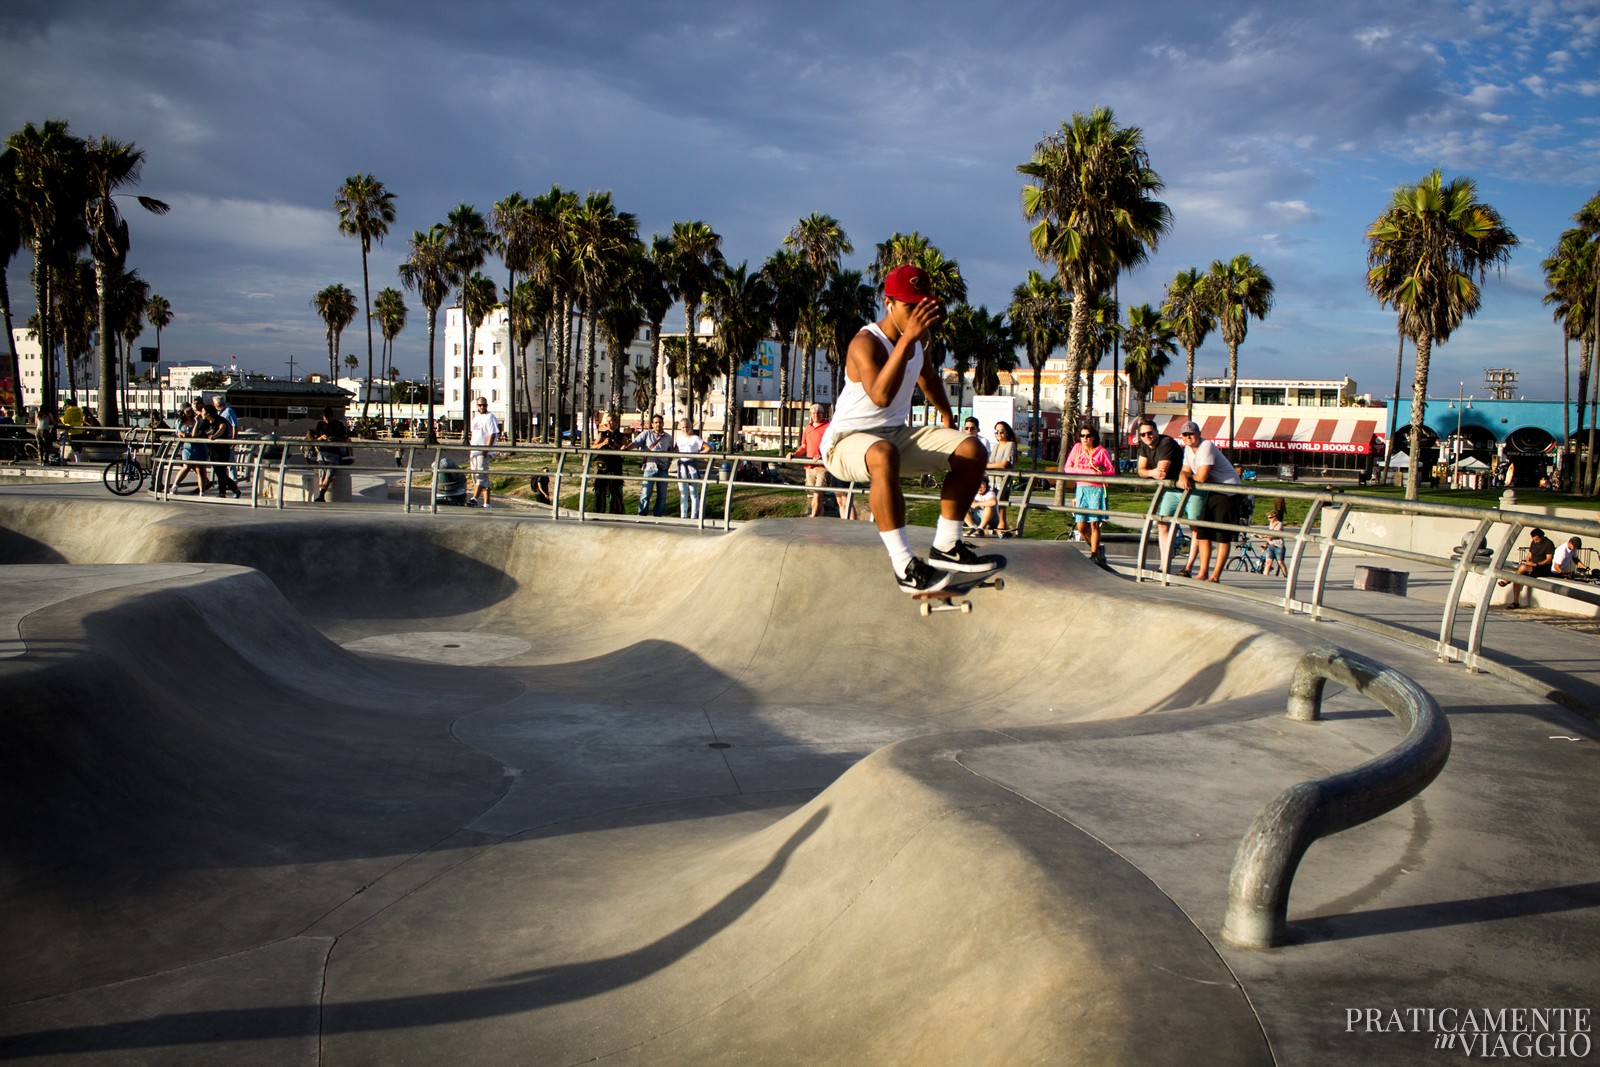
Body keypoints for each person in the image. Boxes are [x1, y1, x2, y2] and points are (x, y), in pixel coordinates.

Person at [818, 263, 997, 594]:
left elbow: (927, 376)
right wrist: (907, 339)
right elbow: (882, 395)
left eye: (922, 306)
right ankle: (904, 565)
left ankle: (946, 545)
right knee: (883, 454)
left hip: (894, 435)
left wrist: (947, 416)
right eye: (909, 307)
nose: (917, 315)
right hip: (844, 443)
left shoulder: (919, 340)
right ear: (889, 304)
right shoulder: (865, 343)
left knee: (973, 450)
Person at [1177, 419, 1242, 582]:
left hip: (1227, 491)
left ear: (1198, 434)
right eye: (1185, 435)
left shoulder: (1207, 446)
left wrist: (1186, 477)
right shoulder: (1187, 450)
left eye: (1191, 434)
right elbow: (1185, 470)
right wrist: (1184, 475)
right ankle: (1203, 572)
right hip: (1212, 490)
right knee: (1203, 532)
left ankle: (1215, 576)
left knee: (1222, 535)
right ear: (1182, 437)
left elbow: (1201, 476)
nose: (1188, 437)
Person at [1134, 417, 1188, 572]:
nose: (1146, 437)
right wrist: (1151, 472)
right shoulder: (1145, 446)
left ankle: (1190, 567)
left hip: (1187, 487)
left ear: (1157, 432)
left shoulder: (1166, 443)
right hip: (1171, 489)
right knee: (1162, 524)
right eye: (1143, 435)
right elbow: (1142, 471)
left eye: (1150, 433)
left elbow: (1162, 471)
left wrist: (1150, 472)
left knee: (1196, 527)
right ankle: (1164, 565)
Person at [1064, 425, 1114, 566]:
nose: (1085, 438)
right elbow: (1068, 467)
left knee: (1094, 523)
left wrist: (1097, 474)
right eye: (1083, 435)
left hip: (1096, 489)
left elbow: (1111, 471)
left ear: (1093, 437)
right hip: (1081, 488)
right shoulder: (1077, 449)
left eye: (1088, 436)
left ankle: (1094, 555)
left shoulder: (1101, 452)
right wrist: (1083, 471)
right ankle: (1097, 550)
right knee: (1081, 526)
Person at [791, 404, 833, 518]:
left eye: (818, 412)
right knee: (813, 496)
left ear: (823, 414)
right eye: (813, 413)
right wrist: (794, 454)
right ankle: (820, 520)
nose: (816, 415)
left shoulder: (829, 427)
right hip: (809, 467)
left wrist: (822, 455)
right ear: (810, 414)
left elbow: (833, 446)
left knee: (817, 495)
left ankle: (813, 518)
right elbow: (803, 446)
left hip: (823, 467)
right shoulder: (807, 428)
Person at [1499, 528, 1555, 607]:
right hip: (1531, 566)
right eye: (1534, 540)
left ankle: (1508, 580)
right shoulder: (1534, 542)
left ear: (1542, 537)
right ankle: (1515, 602)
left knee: (1521, 569)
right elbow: (1529, 555)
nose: (1535, 542)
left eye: (1537, 540)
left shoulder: (1549, 544)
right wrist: (1526, 561)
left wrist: (1536, 564)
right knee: (1517, 577)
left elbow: (1548, 560)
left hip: (1542, 568)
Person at [632, 413, 675, 517]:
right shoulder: (646, 434)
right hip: (650, 468)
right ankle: (641, 516)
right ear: (652, 424)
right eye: (656, 422)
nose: (658, 424)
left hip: (663, 468)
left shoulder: (668, 438)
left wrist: (669, 462)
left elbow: (671, 451)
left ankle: (658, 516)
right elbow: (635, 443)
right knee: (645, 493)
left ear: (663, 423)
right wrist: (625, 448)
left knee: (662, 495)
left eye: (660, 422)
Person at [589, 412, 629, 514]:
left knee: (615, 490)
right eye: (608, 421)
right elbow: (593, 447)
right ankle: (598, 511)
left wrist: (617, 446)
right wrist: (603, 443)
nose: (610, 423)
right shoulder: (602, 434)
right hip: (602, 466)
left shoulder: (621, 436)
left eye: (612, 421)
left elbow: (624, 448)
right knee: (599, 489)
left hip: (615, 466)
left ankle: (616, 512)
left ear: (616, 422)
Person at [310, 406, 351, 503]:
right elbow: (313, 439)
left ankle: (321, 495)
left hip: (334, 453)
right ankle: (321, 495)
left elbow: (346, 438)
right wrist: (321, 438)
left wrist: (335, 438)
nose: (325, 419)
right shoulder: (319, 425)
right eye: (324, 417)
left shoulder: (338, 425)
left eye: (326, 417)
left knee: (329, 474)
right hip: (322, 452)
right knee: (324, 474)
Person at [467, 396, 500, 508]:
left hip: (483, 452)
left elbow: (493, 434)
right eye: (480, 405)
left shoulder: (490, 417)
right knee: (481, 477)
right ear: (477, 406)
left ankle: (474, 498)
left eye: (484, 405)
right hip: (474, 451)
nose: (482, 407)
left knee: (480, 475)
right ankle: (487, 503)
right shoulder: (475, 418)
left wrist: (486, 449)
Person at [204, 401, 241, 498]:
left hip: (222, 450)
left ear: (208, 413)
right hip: (212, 451)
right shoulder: (206, 423)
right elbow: (197, 433)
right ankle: (224, 492)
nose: (201, 413)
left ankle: (232, 490)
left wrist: (214, 436)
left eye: (203, 412)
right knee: (219, 472)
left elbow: (222, 428)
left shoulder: (220, 420)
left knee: (221, 472)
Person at [987, 421, 1018, 537]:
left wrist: (987, 466)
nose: (999, 434)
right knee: (991, 507)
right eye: (997, 431)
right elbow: (992, 462)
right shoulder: (996, 446)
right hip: (992, 482)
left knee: (1001, 508)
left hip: (1003, 482)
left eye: (1002, 431)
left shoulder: (1010, 445)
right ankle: (997, 530)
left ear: (1007, 433)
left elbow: (1003, 464)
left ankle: (1002, 532)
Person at [674, 418, 709, 518]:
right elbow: (677, 449)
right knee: (683, 494)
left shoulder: (696, 438)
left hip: (692, 468)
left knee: (693, 494)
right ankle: (683, 516)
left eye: (687, 427)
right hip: (682, 469)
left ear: (691, 427)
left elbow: (708, 448)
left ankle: (694, 517)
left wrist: (699, 453)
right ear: (680, 428)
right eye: (683, 427)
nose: (685, 429)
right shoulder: (679, 438)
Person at [1263, 497, 1289, 578]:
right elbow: (1270, 535)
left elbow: (1276, 534)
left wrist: (1265, 536)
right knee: (1268, 563)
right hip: (1271, 546)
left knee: (1281, 563)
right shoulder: (1270, 524)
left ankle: (1286, 577)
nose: (1269, 519)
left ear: (1275, 517)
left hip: (1279, 547)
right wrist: (1266, 543)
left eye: (1270, 517)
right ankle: (1265, 578)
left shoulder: (1279, 524)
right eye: (1268, 518)